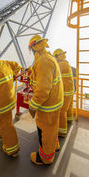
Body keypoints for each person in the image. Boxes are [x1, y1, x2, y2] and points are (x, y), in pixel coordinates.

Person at [28, 35, 63, 165]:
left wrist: (33, 105)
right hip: (55, 100)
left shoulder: (43, 62)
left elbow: (43, 89)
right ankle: (54, 146)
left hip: (47, 105)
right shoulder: (48, 58)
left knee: (45, 129)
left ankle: (45, 158)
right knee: (52, 127)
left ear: (34, 47)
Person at [53, 48, 74, 136]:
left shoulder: (61, 64)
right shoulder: (66, 63)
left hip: (65, 91)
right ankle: (69, 119)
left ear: (58, 56)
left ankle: (62, 131)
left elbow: (53, 72)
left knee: (62, 111)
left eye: (55, 57)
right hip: (70, 90)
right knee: (69, 107)